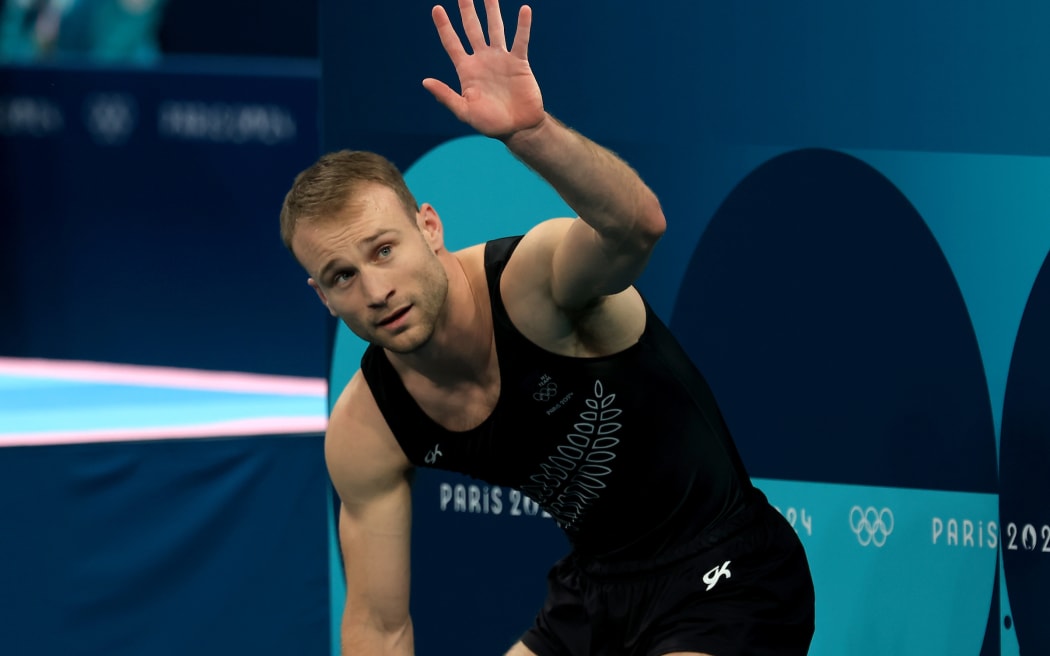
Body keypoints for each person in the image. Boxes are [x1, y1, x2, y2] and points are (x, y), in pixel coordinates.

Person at [280, 0, 815, 654]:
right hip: (594, 594)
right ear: (323, 297)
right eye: (342, 276)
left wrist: (531, 133)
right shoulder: (368, 428)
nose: (376, 289)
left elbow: (636, 228)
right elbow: (378, 626)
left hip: (727, 570)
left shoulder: (532, 284)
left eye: (383, 249)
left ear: (429, 226)